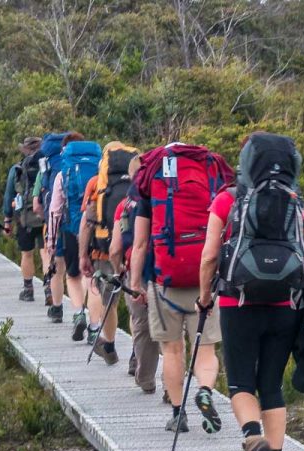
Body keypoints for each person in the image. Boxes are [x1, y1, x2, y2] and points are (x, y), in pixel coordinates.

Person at [197, 132, 304, 451]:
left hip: (238, 303)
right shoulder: (296, 203)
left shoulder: (227, 200)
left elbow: (209, 256)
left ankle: (253, 438)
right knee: (271, 385)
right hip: (285, 306)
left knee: (240, 382)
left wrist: (204, 298)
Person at [130, 141, 233, 434]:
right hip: (206, 280)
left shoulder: (152, 179)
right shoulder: (211, 170)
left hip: (165, 280)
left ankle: (178, 414)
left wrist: (136, 283)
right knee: (206, 349)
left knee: (172, 350)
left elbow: (140, 243)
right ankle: (205, 391)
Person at [79, 141, 140, 366]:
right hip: (133, 252)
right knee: (135, 307)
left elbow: (88, 222)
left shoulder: (97, 184)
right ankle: (136, 354)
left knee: (109, 302)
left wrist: (83, 255)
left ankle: (111, 346)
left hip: (105, 251)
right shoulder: (140, 184)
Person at [108, 159, 158, 393]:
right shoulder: (163, 198)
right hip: (165, 269)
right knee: (172, 331)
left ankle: (146, 378)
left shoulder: (125, 205)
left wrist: (118, 268)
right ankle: (173, 388)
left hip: (135, 270)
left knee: (141, 324)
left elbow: (115, 248)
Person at [45, 133, 100, 342]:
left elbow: (55, 210)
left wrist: (51, 240)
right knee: (93, 280)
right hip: (96, 230)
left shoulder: (63, 173)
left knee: (73, 276)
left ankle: (78, 313)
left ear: (65, 150)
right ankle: (94, 329)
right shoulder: (99, 169)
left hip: (70, 229)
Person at [2, 137, 44, 301]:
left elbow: (8, 195)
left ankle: (28, 290)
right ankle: (49, 290)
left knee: (27, 254)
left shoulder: (17, 168)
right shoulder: (48, 166)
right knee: (46, 253)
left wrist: (7, 220)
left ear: (25, 150)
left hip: (24, 217)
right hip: (45, 217)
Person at [32, 132, 69, 322]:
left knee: (58, 267)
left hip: (55, 223)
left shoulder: (46, 167)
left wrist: (46, 219)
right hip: (81, 224)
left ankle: (57, 308)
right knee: (79, 275)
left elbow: (37, 204)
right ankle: (82, 313)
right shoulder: (78, 166)